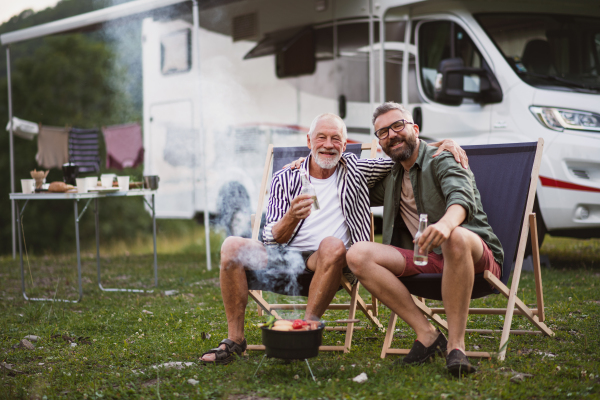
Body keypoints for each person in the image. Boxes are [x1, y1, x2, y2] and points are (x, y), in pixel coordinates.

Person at [200, 112, 465, 365]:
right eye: (321, 138)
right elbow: (273, 236)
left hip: (332, 261)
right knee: (232, 245)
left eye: (336, 138)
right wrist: (291, 216)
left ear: (344, 144)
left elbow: (405, 154)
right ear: (308, 141)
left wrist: (440, 144)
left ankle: (303, 331)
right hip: (284, 255)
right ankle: (235, 339)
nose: (328, 145)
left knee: (332, 244)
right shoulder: (286, 177)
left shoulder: (356, 170)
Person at [346, 102, 504, 377]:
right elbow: (340, 184)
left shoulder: (442, 158)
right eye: (383, 132)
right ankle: (428, 335)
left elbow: (461, 198)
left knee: (453, 238)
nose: (391, 135)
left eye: (398, 125)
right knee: (357, 254)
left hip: (473, 256)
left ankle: (456, 348)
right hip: (426, 260)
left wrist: (445, 225)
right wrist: (306, 162)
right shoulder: (392, 174)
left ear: (415, 128)